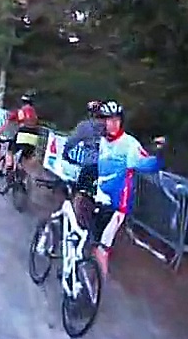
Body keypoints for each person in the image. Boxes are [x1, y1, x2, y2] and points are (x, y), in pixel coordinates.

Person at [92, 100, 166, 277]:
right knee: (91, 234)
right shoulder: (101, 141)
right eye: (109, 120)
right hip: (99, 195)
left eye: (116, 120)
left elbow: (145, 164)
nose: (112, 124)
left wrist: (160, 155)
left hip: (118, 203)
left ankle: (99, 279)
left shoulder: (129, 144)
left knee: (104, 244)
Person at [62, 100, 105, 197]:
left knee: (81, 193)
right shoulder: (110, 127)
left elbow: (71, 141)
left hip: (91, 166)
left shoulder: (85, 126)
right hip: (108, 167)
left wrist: (65, 153)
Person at [0, 93, 39, 177]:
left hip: (23, 134)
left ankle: (8, 166)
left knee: (10, 150)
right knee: (27, 156)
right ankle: (24, 174)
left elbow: (7, 124)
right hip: (34, 136)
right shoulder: (34, 113)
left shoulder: (20, 111)